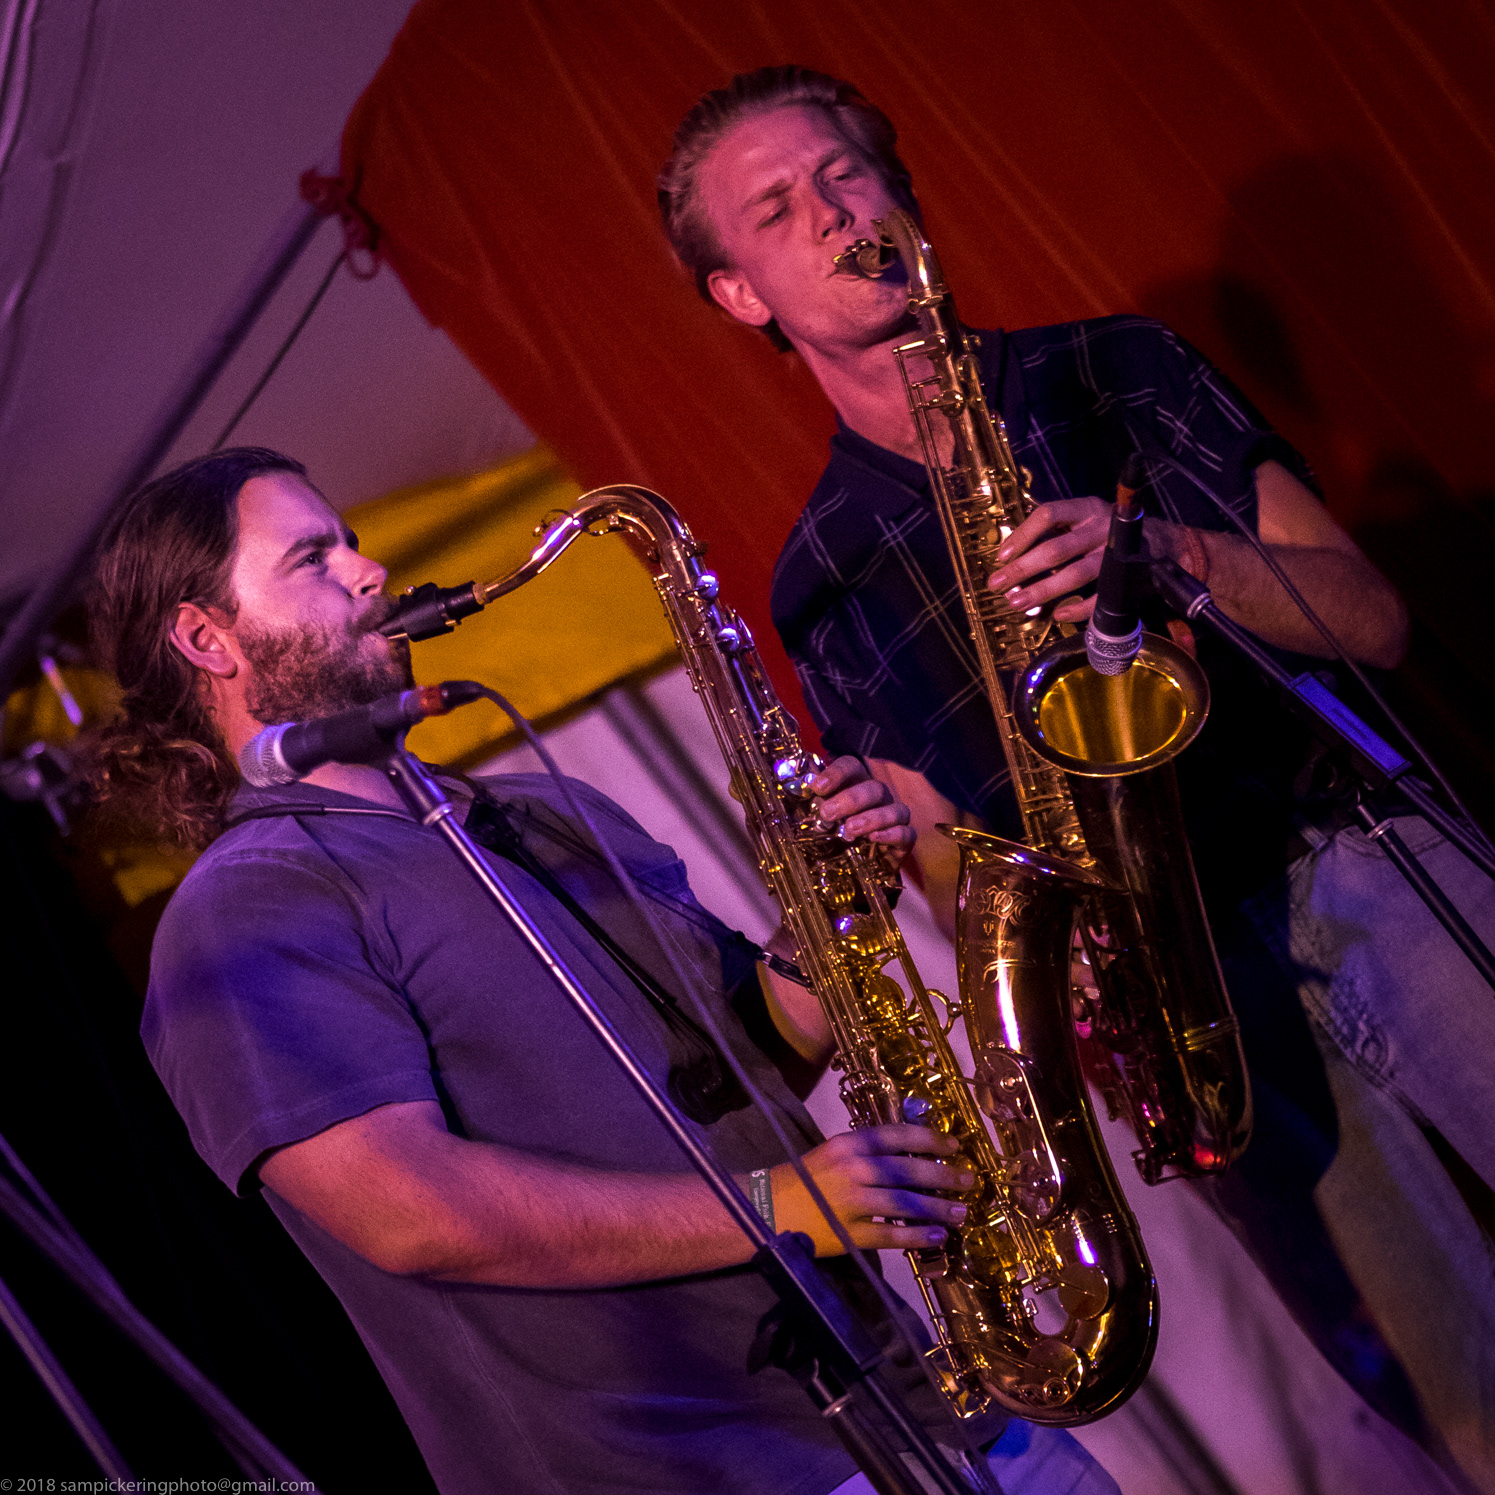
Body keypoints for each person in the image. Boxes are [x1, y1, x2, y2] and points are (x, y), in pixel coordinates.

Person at [657, 65, 1495, 1485]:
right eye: (778, 209)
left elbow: (1371, 622)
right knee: (1462, 1402)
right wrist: (886, 830)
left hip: (1349, 853)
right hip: (1179, 1000)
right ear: (742, 296)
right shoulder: (821, 576)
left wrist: (1169, 553)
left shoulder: (1116, 369)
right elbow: (957, 879)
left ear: (902, 196)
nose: (833, 213)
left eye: (845, 173)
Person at [86, 446, 1122, 1495]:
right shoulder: (242, 909)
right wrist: (774, 1205)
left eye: (350, 542)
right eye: (312, 558)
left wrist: (832, 907)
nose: (368, 570)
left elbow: (745, 1066)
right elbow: (410, 1210)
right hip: (691, 1475)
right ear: (205, 637)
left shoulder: (547, 813)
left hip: (937, 1406)